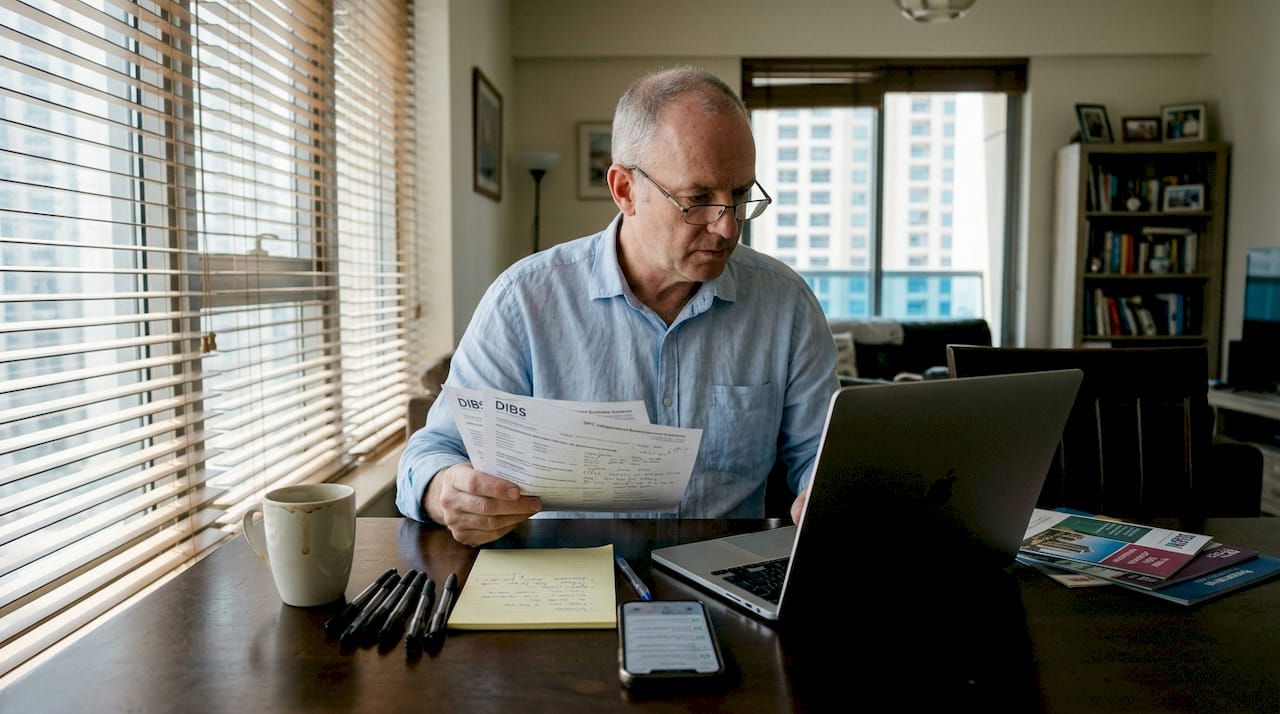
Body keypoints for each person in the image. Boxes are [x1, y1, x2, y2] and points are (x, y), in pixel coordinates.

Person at [396, 65, 839, 546]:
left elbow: (821, 454)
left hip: (726, 570)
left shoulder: (786, 304)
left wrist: (825, 489)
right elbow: (431, 451)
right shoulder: (524, 300)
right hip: (566, 572)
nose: (728, 226)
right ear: (625, 190)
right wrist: (445, 489)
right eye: (697, 198)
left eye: (739, 194)